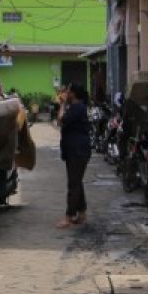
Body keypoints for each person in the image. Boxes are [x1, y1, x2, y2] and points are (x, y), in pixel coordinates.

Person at [57, 83, 91, 228]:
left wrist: (62, 104)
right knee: (77, 182)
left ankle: (68, 216)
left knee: (74, 184)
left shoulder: (77, 107)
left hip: (78, 151)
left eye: (68, 92)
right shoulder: (77, 107)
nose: (66, 94)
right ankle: (82, 213)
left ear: (74, 94)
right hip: (75, 150)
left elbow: (61, 120)